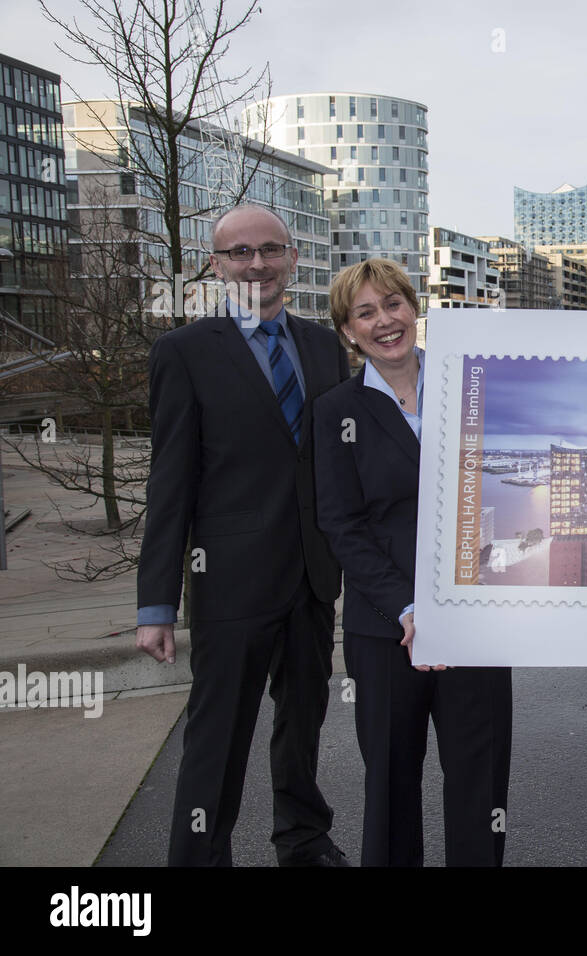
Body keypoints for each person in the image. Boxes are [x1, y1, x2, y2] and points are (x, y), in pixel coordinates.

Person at [135, 204, 351, 866]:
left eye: (269, 249)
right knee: (218, 736)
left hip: (312, 579)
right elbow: (169, 483)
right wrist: (155, 606)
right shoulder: (183, 353)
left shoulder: (323, 346)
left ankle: (303, 840)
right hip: (227, 582)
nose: (256, 263)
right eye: (239, 253)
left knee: (302, 726)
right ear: (215, 263)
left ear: (291, 256)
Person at [313, 257, 511, 866]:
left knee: (480, 787)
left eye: (392, 304)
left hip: (476, 621)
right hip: (386, 631)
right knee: (392, 788)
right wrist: (405, 604)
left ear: (413, 308)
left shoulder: (473, 386)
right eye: (365, 312)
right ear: (348, 331)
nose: (384, 321)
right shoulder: (336, 413)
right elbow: (342, 525)